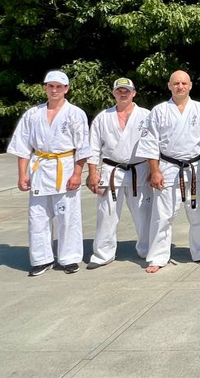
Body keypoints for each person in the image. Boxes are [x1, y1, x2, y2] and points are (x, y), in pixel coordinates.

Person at [7, 70, 90, 276]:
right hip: (40, 168)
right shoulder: (33, 114)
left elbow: (83, 147)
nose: (54, 90)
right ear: (44, 88)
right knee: (38, 216)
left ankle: (69, 258)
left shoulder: (75, 113)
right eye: (50, 86)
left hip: (65, 166)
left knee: (67, 215)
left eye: (59, 87)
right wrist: (22, 174)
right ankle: (41, 259)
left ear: (66, 89)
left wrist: (77, 174)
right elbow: (22, 146)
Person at [138, 70, 200, 273]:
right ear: (169, 86)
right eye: (176, 83)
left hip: (196, 167)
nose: (180, 86)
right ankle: (157, 256)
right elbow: (150, 143)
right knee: (162, 215)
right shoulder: (159, 111)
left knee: (199, 213)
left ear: (190, 85)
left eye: (184, 83)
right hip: (168, 168)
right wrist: (154, 170)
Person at [86, 78, 151, 268]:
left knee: (144, 213)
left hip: (139, 169)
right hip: (111, 170)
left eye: (127, 91)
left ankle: (147, 249)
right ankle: (103, 254)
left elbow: (155, 144)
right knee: (106, 213)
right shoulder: (103, 117)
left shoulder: (146, 116)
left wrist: (155, 169)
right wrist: (92, 172)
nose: (123, 94)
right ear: (114, 93)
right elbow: (93, 147)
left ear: (134, 93)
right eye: (119, 91)